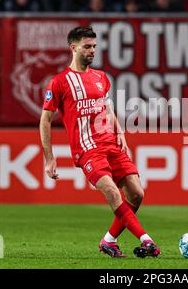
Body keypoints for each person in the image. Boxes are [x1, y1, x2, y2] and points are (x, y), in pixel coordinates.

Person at [39, 27, 161, 259]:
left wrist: (120, 132)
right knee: (113, 194)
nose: (92, 51)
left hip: (111, 144)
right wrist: (49, 158)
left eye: (94, 46)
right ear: (73, 48)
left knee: (137, 194)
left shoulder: (101, 77)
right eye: (87, 46)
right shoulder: (59, 82)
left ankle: (108, 241)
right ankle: (147, 241)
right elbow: (45, 120)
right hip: (88, 150)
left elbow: (106, 107)